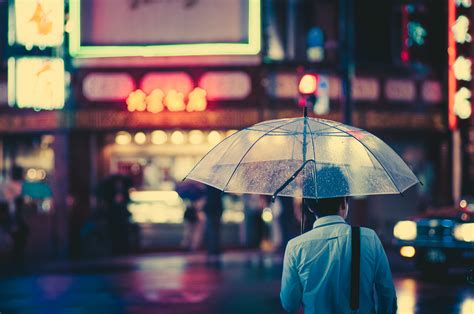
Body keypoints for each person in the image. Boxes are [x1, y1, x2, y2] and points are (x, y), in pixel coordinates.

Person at [280, 167, 397, 313]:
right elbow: (387, 296)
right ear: (343, 201)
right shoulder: (369, 238)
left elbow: (289, 304)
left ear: (310, 206)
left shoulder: (295, 246)